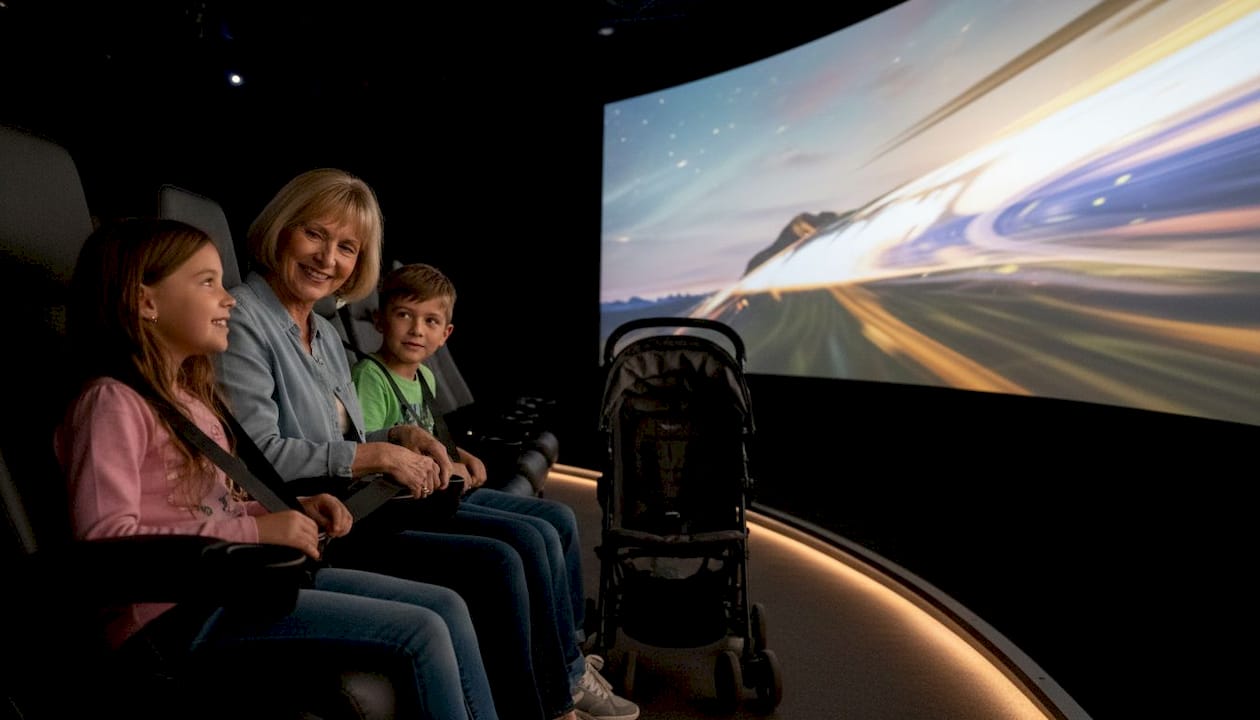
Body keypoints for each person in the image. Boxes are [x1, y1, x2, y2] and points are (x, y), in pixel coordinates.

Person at [215, 168, 637, 720]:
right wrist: (378, 452)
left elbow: (338, 437)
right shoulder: (243, 316)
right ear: (280, 229)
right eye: (314, 235)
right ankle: (553, 700)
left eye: (346, 247)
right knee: (502, 560)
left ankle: (558, 686)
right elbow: (260, 454)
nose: (328, 258)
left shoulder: (321, 331)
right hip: (326, 522)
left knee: (530, 535)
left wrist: (399, 435)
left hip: (363, 501)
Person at [53, 217, 499, 719]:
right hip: (173, 614)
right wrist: (256, 527)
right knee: (421, 630)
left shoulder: (190, 398)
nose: (228, 299)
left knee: (446, 606)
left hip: (238, 583)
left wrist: (287, 507)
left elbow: (204, 501)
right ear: (146, 301)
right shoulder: (111, 402)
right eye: (208, 283)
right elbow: (107, 547)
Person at [349, 262, 592, 667]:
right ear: (379, 319)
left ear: (445, 335)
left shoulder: (424, 377)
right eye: (404, 315)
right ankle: (568, 666)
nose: (416, 330)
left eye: (430, 321)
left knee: (561, 518)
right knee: (535, 536)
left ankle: (574, 646)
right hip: (409, 505)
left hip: (443, 491)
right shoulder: (370, 377)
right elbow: (373, 450)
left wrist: (459, 454)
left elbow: (430, 434)